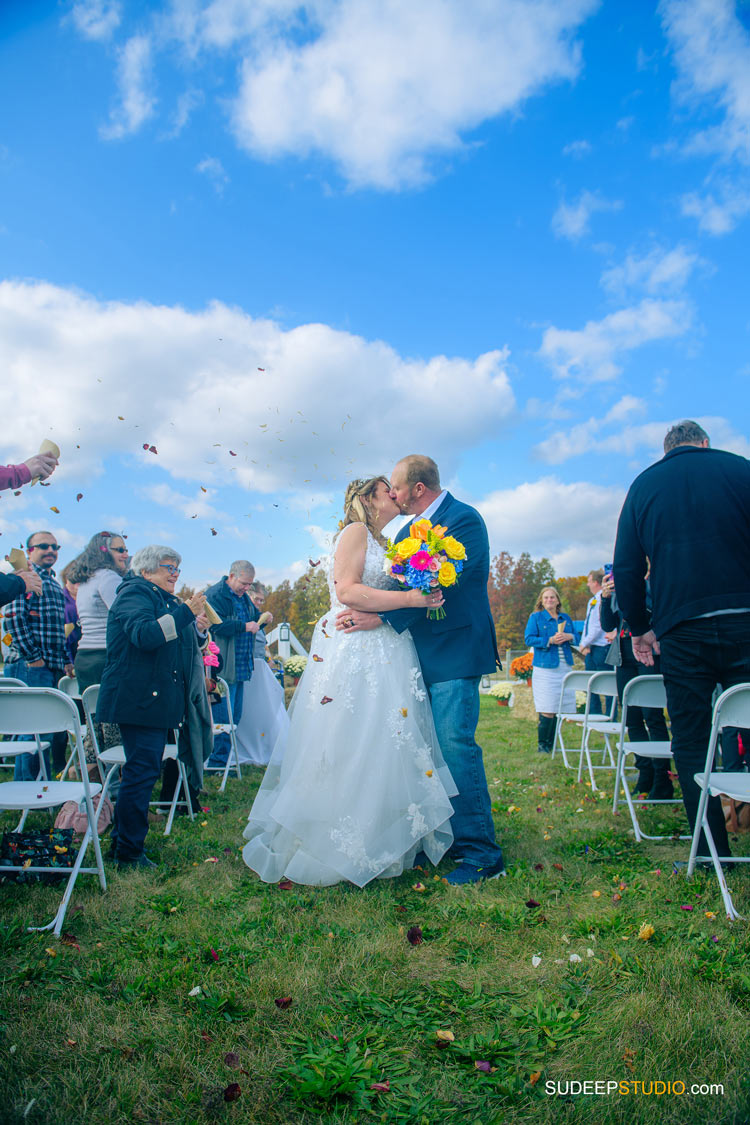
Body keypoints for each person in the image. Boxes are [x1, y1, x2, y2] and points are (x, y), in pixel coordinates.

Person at [242, 476, 456, 887]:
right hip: (356, 648)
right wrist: (411, 599)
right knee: (352, 737)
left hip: (385, 646)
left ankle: (384, 834)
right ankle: (338, 838)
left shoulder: (386, 542)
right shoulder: (356, 532)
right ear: (366, 499)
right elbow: (349, 591)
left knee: (386, 737)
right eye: (386, 490)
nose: (395, 494)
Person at [335, 455, 505, 885]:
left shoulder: (463, 520)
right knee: (425, 750)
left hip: (456, 651)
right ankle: (447, 838)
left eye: (396, 486)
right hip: (414, 657)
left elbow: (446, 583)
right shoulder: (406, 532)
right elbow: (398, 587)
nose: (391, 494)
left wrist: (382, 618)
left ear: (418, 488)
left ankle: (482, 853)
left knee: (454, 746)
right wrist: (374, 609)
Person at [613, 419, 750, 859]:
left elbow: (628, 568)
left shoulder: (644, 485)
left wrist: (639, 626)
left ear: (667, 450)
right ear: (705, 444)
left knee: (691, 739)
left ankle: (712, 852)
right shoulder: (741, 469)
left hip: (682, 627)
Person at [96, 546, 210, 869]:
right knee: (141, 771)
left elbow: (179, 642)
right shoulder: (134, 593)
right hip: (140, 701)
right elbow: (146, 636)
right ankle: (129, 853)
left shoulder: (160, 599)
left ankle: (122, 843)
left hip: (151, 701)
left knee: (141, 770)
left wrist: (196, 626)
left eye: (178, 568)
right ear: (146, 571)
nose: (175, 574)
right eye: (168, 567)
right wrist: (186, 612)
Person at [3, 531, 73, 777]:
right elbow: (12, 619)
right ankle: (26, 788)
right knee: (31, 730)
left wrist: (64, 661)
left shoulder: (52, 582)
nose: (51, 550)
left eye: (55, 546)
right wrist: (33, 657)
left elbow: (56, 628)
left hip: (50, 667)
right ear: (29, 550)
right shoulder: (23, 578)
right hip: (30, 666)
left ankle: (39, 788)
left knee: (45, 730)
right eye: (44, 546)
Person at [599, 570, 673, 799]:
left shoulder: (652, 582)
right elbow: (608, 624)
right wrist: (605, 598)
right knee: (631, 717)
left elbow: (654, 612)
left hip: (648, 653)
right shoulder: (620, 587)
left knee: (653, 716)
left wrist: (634, 588)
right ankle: (645, 773)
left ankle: (663, 778)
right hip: (623, 656)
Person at [204, 561, 260, 771]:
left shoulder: (242, 597)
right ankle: (217, 764)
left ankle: (224, 761)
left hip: (241, 665)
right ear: (232, 576)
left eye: (249, 585)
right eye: (244, 583)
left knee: (234, 717)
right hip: (224, 665)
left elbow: (253, 619)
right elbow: (215, 624)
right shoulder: (216, 594)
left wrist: (262, 620)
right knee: (222, 717)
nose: (247, 588)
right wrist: (244, 626)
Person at [234, 582, 289, 766]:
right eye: (256, 599)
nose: (259, 603)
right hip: (246, 669)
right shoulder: (241, 613)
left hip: (259, 668)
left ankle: (268, 746)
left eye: (261, 600)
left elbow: (262, 644)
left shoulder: (256, 617)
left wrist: (269, 659)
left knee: (270, 709)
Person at [70, 531, 131, 693]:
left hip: (85, 656)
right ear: (103, 551)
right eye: (120, 550)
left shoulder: (88, 579)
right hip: (104, 656)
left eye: (126, 550)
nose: (126, 555)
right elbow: (127, 618)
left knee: (94, 713)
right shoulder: (109, 578)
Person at [524, 586, 578, 754]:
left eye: (552, 597)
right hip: (545, 667)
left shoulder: (565, 618)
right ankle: (543, 746)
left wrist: (569, 637)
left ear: (557, 600)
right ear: (541, 600)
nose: (549, 600)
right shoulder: (536, 617)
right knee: (547, 706)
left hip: (564, 666)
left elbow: (579, 637)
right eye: (546, 598)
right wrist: (550, 640)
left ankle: (553, 744)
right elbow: (529, 638)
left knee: (557, 707)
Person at [579, 569, 609, 715]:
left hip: (602, 647)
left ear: (596, 582)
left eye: (589, 581)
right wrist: (585, 643)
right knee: (590, 683)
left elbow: (598, 626)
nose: (587, 584)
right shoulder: (592, 601)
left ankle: (610, 715)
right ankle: (593, 714)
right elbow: (587, 624)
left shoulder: (604, 599)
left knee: (607, 683)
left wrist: (584, 643)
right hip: (591, 648)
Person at [59, 562, 82, 670]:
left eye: (80, 580)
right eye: (73, 581)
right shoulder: (60, 600)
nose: (77, 585)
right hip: (67, 654)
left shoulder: (89, 599)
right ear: (66, 579)